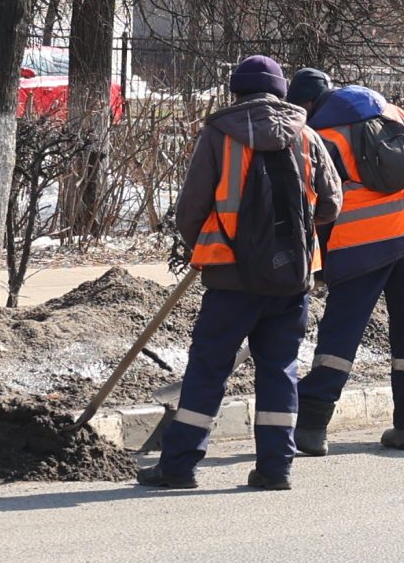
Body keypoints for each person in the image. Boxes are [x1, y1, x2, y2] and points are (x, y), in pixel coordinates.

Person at [145, 55, 340, 492]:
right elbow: (331, 204)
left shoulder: (218, 135)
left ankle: (178, 466)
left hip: (229, 279)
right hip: (290, 281)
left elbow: (191, 209)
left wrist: (212, 243)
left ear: (235, 92)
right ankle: (275, 469)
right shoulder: (306, 136)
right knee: (279, 370)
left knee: (208, 369)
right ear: (281, 93)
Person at [284, 68, 404, 455]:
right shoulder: (391, 113)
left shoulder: (320, 136)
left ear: (306, 105)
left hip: (364, 238)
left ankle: (312, 427)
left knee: (341, 330)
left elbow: (316, 202)